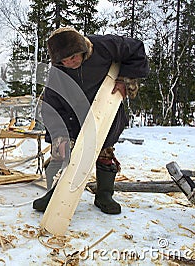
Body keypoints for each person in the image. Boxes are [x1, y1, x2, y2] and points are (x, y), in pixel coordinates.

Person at [33, 27, 149, 214]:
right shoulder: (58, 72)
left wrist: (125, 78)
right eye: (64, 61)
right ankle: (56, 194)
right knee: (64, 154)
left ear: (82, 49)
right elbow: (51, 106)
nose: (69, 63)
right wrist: (59, 137)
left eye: (73, 58)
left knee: (104, 151)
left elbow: (136, 49)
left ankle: (104, 195)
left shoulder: (104, 46)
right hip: (73, 117)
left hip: (105, 109)